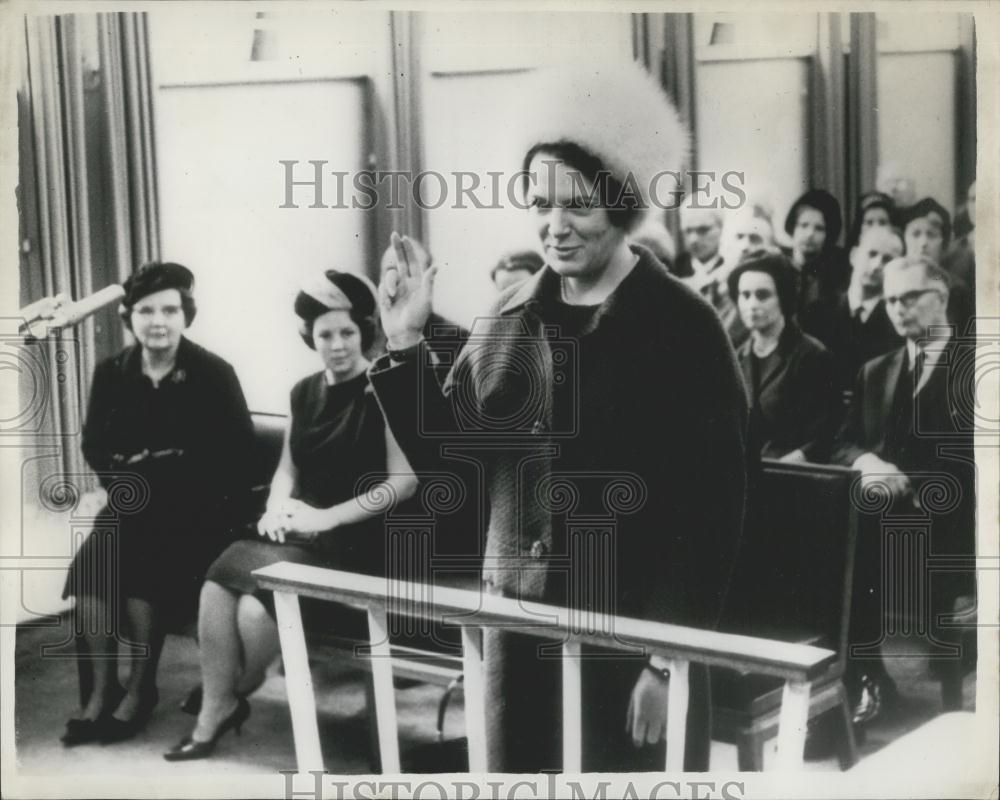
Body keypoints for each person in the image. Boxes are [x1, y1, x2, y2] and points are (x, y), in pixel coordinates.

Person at [368, 62, 749, 772]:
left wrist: (665, 663)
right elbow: (455, 467)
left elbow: (710, 516)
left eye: (577, 204)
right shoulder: (512, 317)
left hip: (629, 638)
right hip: (521, 631)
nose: (555, 225)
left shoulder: (688, 329)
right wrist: (403, 343)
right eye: (541, 202)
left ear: (624, 205)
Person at [164, 270, 417, 761]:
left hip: (356, 539)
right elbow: (287, 470)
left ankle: (234, 690)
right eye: (325, 335)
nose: (338, 345)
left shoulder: (382, 387)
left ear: (364, 331)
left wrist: (326, 519)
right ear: (310, 337)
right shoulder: (303, 392)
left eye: (347, 332)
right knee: (219, 583)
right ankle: (215, 707)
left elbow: (403, 483)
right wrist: (278, 507)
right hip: (299, 532)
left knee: (256, 610)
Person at [60, 262, 254, 746]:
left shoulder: (213, 374)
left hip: (199, 518)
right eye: (146, 310)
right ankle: (102, 693)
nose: (158, 320)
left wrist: (164, 476)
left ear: (187, 314)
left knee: (142, 557)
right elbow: (95, 446)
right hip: (132, 506)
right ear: (130, 317)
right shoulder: (112, 373)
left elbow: (238, 457)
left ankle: (141, 689)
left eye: (170, 309)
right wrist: (128, 479)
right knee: (91, 568)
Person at [832, 255, 976, 721]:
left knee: (854, 545)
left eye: (909, 297)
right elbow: (841, 442)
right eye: (891, 299)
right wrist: (870, 462)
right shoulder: (877, 370)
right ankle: (865, 681)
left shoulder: (979, 368)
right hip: (880, 522)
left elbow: (979, 462)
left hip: (955, 527)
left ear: (943, 298)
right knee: (835, 544)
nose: (898, 308)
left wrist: (907, 482)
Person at [727, 253, 840, 463]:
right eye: (745, 295)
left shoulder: (812, 356)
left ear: (784, 298)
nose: (752, 304)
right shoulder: (735, 356)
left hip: (791, 474)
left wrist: (783, 467)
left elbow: (823, 434)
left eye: (763, 295)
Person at [804, 226, 905, 390]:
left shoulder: (897, 322)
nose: (876, 265)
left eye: (887, 259)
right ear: (853, 255)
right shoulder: (816, 314)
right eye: (871, 254)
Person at [900, 197, 974, 332]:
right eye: (915, 234)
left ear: (944, 243)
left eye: (931, 235)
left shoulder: (955, 289)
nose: (923, 243)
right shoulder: (894, 283)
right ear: (904, 239)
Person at [672, 197, 724, 282]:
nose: (693, 240)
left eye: (703, 230)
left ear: (720, 228)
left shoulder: (732, 270)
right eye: (688, 231)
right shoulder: (672, 272)